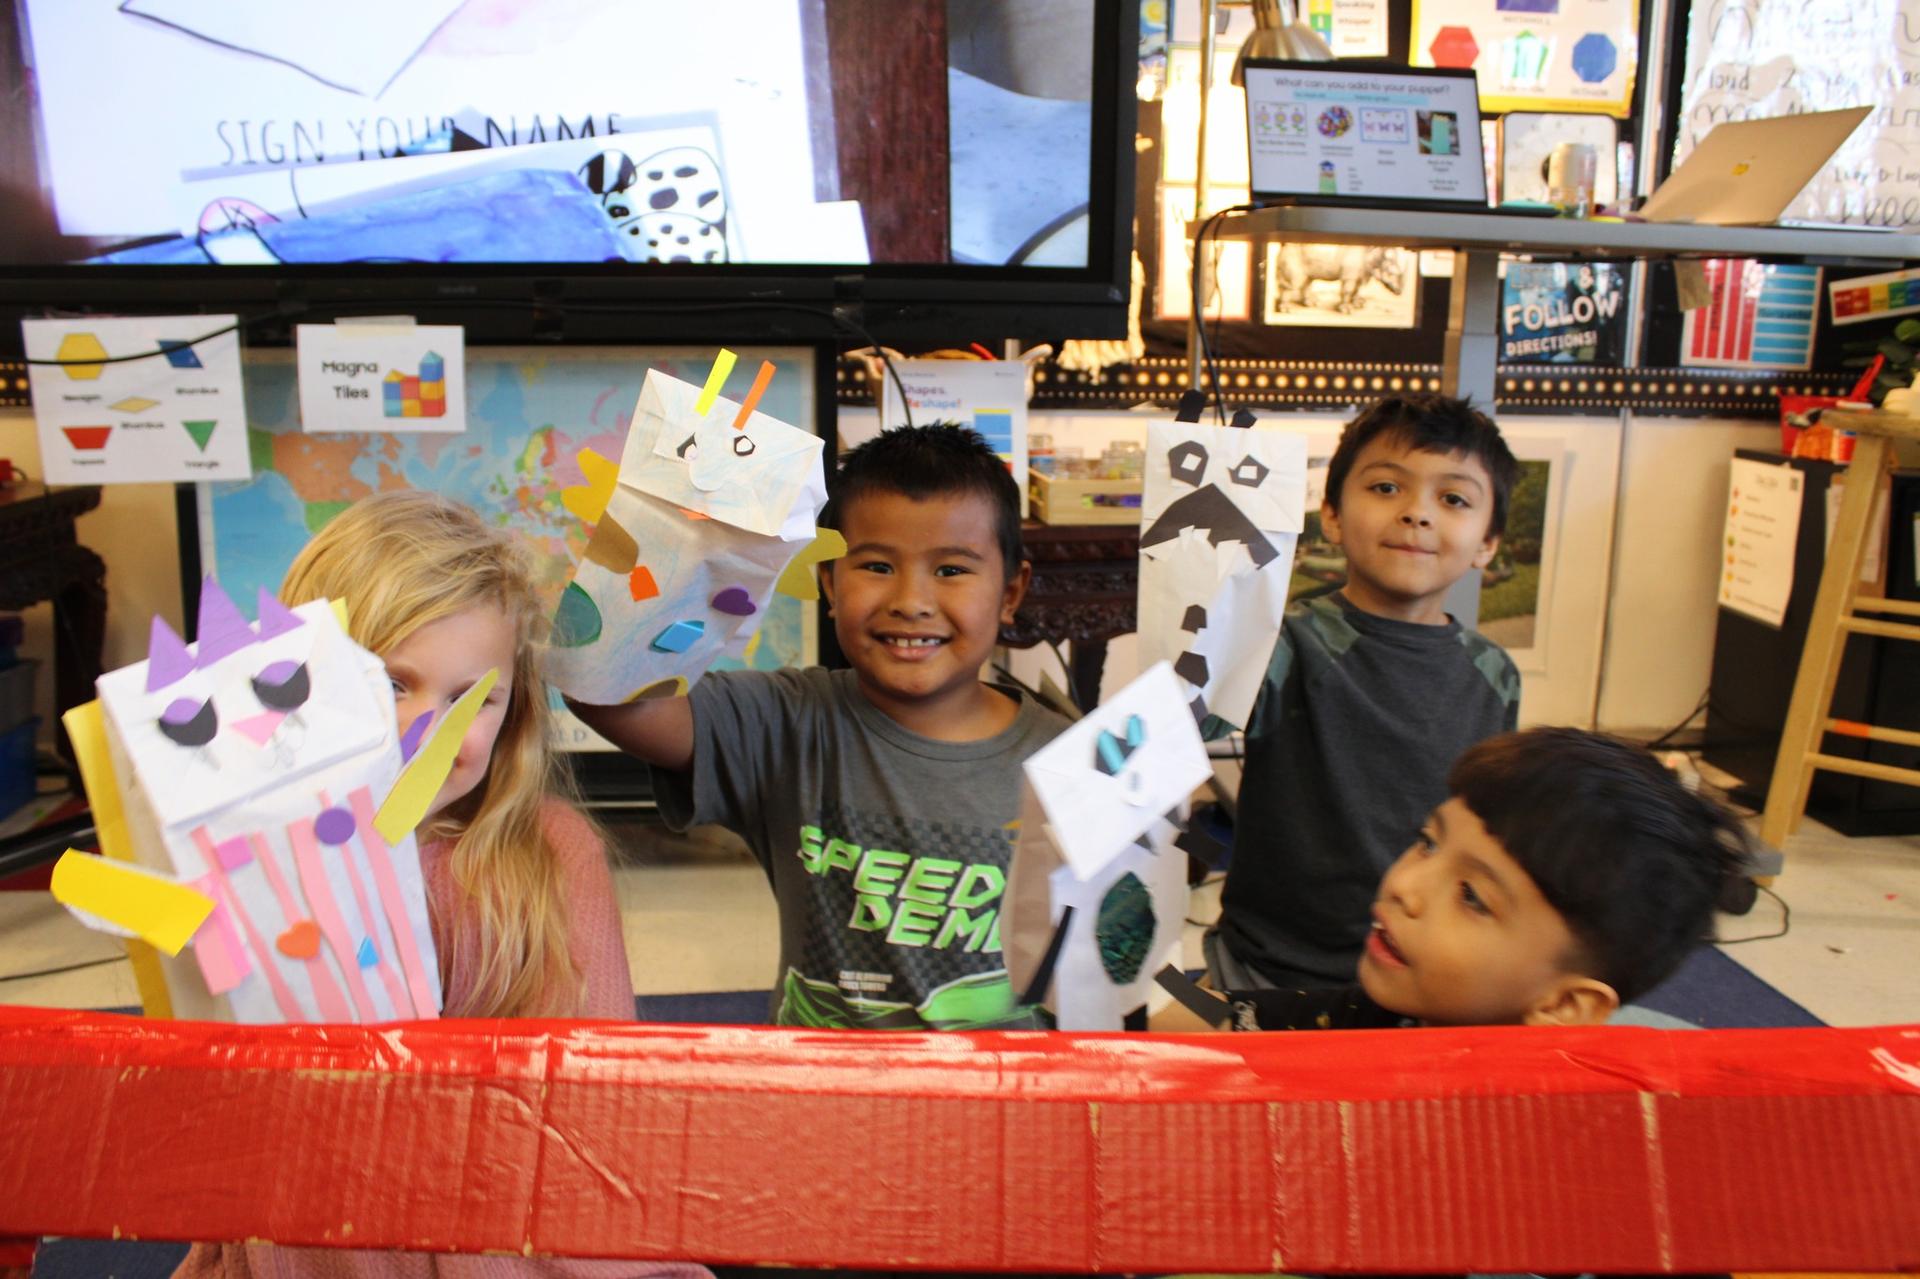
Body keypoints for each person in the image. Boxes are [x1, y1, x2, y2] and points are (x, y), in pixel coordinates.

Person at [176, 490, 708, 1279]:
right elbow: (214, 1119)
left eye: (471, 699)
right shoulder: (250, 860)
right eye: (393, 684)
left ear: (512, 714)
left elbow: (591, 1123)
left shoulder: (548, 856)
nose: (428, 730)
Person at [571, 424, 1069, 1031]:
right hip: (820, 1085)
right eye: (878, 566)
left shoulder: (1070, 761)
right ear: (830, 582)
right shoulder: (785, 724)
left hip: (1011, 1086)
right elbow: (604, 692)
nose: (911, 600)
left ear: (1011, 592)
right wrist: (674, 527)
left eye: (951, 570)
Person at [1207, 393, 1524, 993]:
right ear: (1330, 514)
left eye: (1453, 499)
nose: (1416, 513)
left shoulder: (1495, 674)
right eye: (1386, 488)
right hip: (1270, 965)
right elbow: (1192, 722)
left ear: (1488, 542)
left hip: (1423, 970)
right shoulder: (1284, 644)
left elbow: (1484, 829)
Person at [1167, 728, 1751, 1031]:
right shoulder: (1396, 1011)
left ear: (1565, 1004)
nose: (1405, 886)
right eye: (1428, 842)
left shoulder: (1533, 1145)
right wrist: (1136, 987)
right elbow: (1228, 1018)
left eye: (1472, 896)